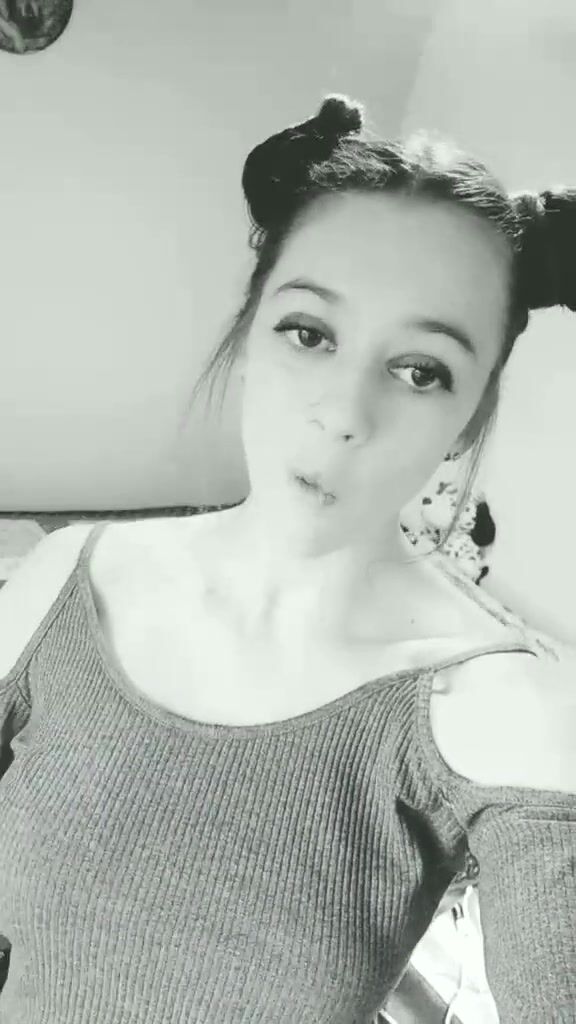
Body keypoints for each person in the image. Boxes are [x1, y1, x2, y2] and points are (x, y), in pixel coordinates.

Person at [0, 93, 575, 1024]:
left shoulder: (503, 711)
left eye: (420, 369)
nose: (344, 414)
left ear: (470, 415)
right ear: (249, 331)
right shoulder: (63, 580)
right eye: (310, 333)